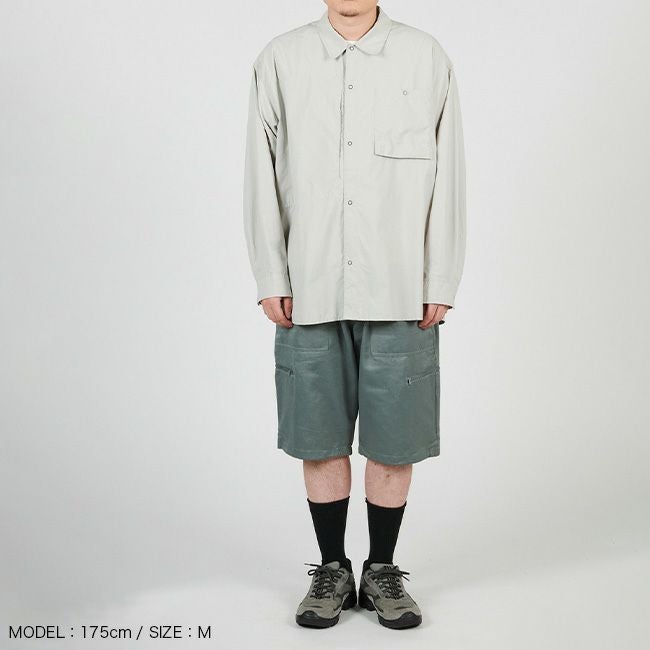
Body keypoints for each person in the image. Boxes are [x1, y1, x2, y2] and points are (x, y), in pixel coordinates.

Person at [243, 0, 466, 630]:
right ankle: (332, 568)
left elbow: (449, 176)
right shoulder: (280, 59)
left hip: (400, 287)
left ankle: (382, 568)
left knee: (395, 442)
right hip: (310, 286)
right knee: (318, 438)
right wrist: (270, 274)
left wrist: (440, 277)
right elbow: (261, 174)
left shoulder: (426, 57)